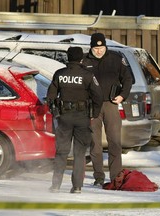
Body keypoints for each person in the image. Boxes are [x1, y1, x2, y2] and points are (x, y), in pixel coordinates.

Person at [47, 46, 103, 193]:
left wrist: (55, 112)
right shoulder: (87, 75)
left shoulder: (60, 74)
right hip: (82, 117)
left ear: (68, 58)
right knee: (79, 153)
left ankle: (55, 185)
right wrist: (94, 113)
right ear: (81, 59)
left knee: (61, 152)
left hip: (64, 117)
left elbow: (51, 96)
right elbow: (98, 96)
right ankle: (77, 186)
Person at [82, 33, 133, 186]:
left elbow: (128, 79)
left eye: (101, 47)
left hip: (111, 104)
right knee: (95, 143)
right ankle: (98, 176)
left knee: (114, 142)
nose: (99, 51)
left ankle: (116, 176)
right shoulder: (84, 61)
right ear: (91, 48)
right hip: (92, 106)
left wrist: (122, 96)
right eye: (96, 48)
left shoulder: (116, 59)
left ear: (106, 46)